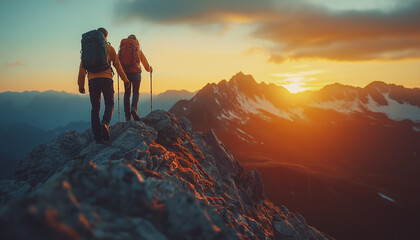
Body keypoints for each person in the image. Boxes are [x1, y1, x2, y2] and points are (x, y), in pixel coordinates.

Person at [78, 27, 129, 144]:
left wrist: (81, 85)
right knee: (109, 103)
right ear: (106, 36)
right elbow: (118, 66)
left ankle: (97, 137)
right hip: (106, 79)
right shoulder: (109, 48)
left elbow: (81, 68)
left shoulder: (88, 49)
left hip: (92, 80)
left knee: (95, 109)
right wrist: (125, 80)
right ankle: (105, 123)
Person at [119, 34, 152, 121]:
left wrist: (120, 71)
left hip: (125, 74)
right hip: (136, 74)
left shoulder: (122, 49)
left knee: (127, 94)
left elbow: (117, 61)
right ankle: (134, 108)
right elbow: (145, 63)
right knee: (136, 92)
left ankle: (127, 116)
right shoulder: (137, 50)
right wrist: (149, 69)